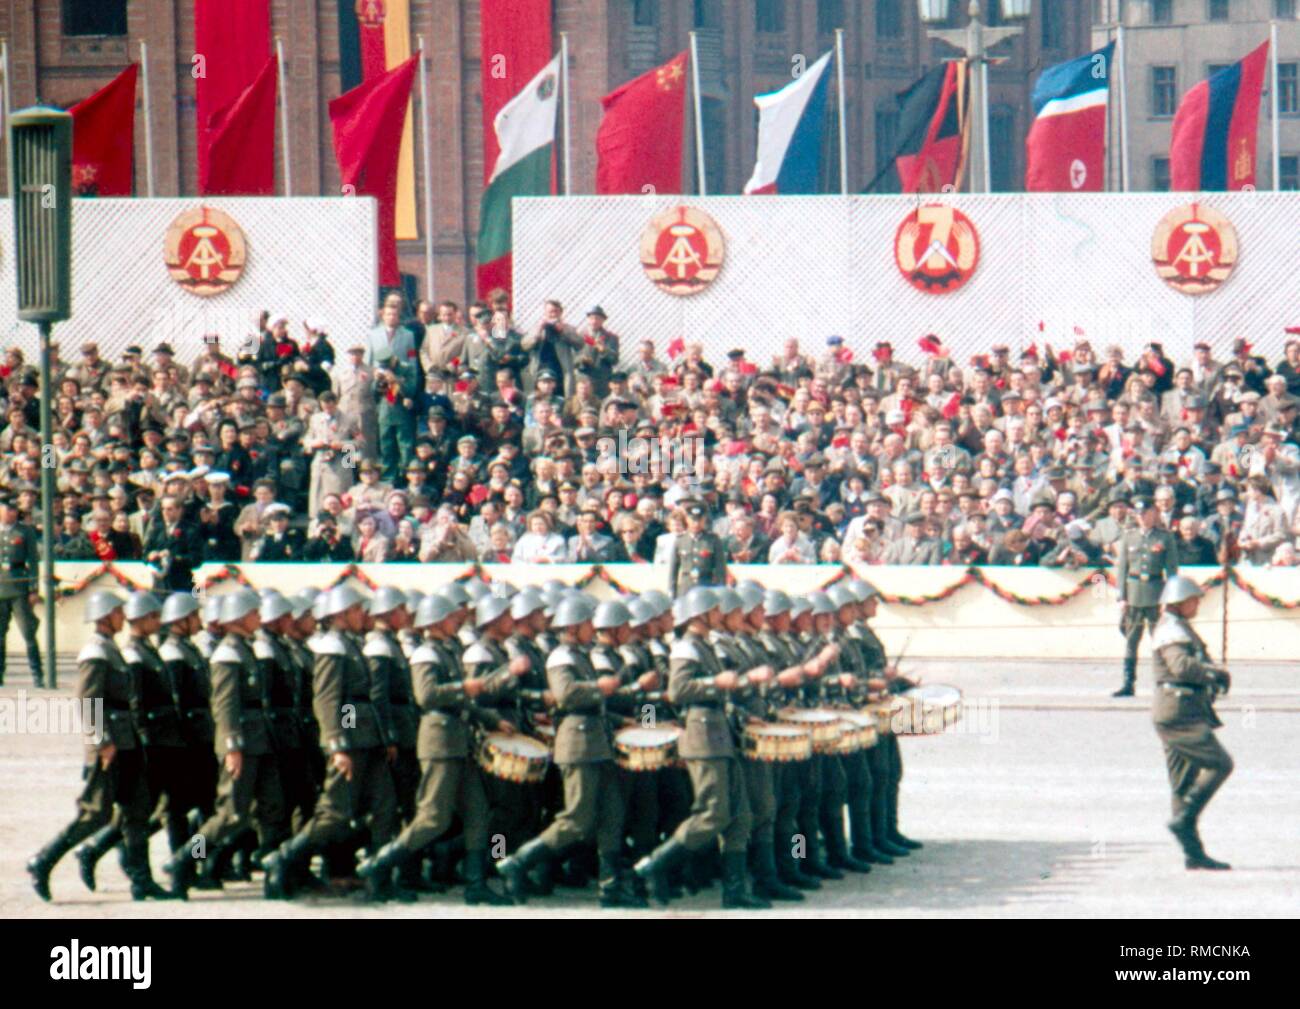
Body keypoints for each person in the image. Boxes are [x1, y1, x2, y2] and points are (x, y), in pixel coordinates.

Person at [28, 592, 174, 902]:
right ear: (106, 615)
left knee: (138, 810)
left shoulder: (112, 650)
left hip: (128, 742)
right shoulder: (95, 651)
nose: (124, 616)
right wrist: (102, 741)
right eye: (119, 612)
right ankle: (43, 861)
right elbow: (89, 700)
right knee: (95, 814)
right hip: (110, 747)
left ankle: (141, 880)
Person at [1150, 576, 1233, 870]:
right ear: (1180, 602)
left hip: (1182, 709)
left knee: (1183, 784)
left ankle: (1192, 852)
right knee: (1221, 763)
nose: (1197, 604)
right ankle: (1184, 820)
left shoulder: (1179, 626)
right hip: (1179, 713)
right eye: (1194, 599)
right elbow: (1181, 666)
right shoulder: (1171, 629)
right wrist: (1213, 673)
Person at [1114, 487, 1180, 697]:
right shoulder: (1129, 536)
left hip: (1155, 594)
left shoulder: (1165, 538)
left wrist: (1169, 599)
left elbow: (1171, 571)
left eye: (1146, 513)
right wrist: (1121, 596)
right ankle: (1128, 683)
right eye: (1139, 514)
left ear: (1154, 513)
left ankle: (1164, 682)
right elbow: (1122, 568)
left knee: (1159, 641)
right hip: (1133, 594)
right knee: (1131, 641)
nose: (1142, 518)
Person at [0, 493, 43, 686]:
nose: (12, 513)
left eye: (14, 509)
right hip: (1, 586)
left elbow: (33, 561)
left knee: (28, 632)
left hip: (19, 585)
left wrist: (34, 588)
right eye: (8, 509)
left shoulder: (25, 531)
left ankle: (37, 675)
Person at [667, 499, 727, 598]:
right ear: (687, 519)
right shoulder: (680, 541)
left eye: (699, 520)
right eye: (693, 520)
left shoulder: (713, 540)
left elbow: (720, 569)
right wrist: (672, 592)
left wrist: (720, 591)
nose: (696, 524)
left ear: (704, 520)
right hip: (686, 589)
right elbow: (673, 571)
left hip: (707, 587)